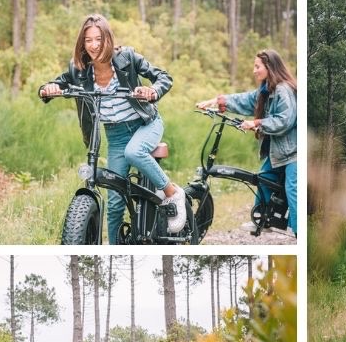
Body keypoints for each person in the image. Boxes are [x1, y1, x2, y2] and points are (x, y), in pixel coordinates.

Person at [38, 14, 185, 243]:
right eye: (88, 40)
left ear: (107, 38)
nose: (94, 45)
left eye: (98, 39)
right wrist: (49, 88)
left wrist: (152, 91)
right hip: (115, 135)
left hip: (144, 123)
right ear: (82, 43)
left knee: (134, 152)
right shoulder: (79, 69)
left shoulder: (127, 57)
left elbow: (163, 77)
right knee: (115, 203)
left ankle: (172, 193)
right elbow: (59, 82)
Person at [195, 49, 297, 236]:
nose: (254, 70)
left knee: (293, 189)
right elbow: (245, 100)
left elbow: (285, 120)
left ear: (270, 67)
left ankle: (297, 230)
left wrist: (256, 123)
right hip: (278, 151)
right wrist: (213, 101)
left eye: (257, 66)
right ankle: (263, 220)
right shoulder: (266, 90)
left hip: (293, 153)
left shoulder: (283, 90)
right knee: (264, 179)